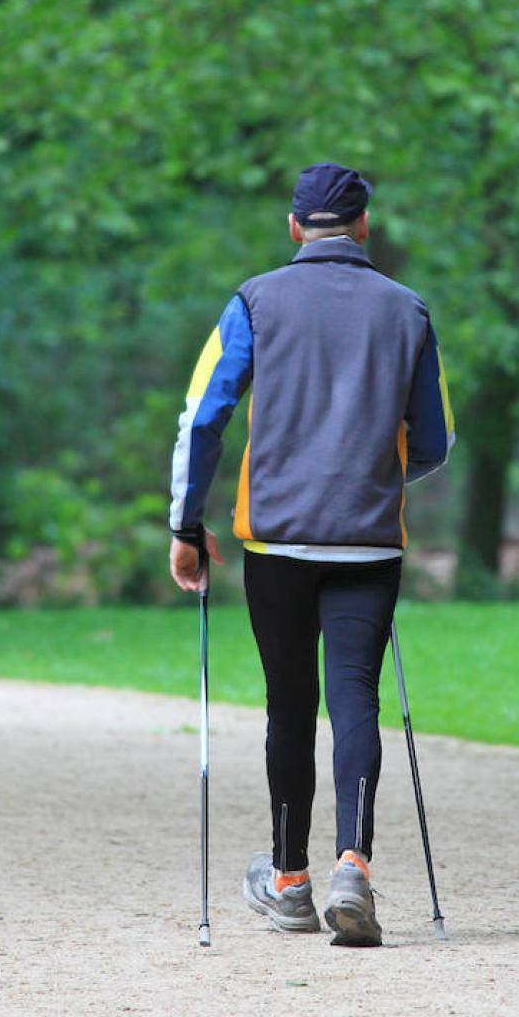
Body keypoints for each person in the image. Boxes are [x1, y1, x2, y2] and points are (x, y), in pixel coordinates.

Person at [167, 162, 454, 948]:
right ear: (365, 226)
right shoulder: (409, 310)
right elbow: (435, 440)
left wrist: (186, 527)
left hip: (277, 539)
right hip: (368, 540)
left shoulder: (254, 300)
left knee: (288, 704)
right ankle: (352, 865)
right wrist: (378, 471)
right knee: (355, 698)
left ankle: (290, 883)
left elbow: (203, 418)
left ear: (294, 227)